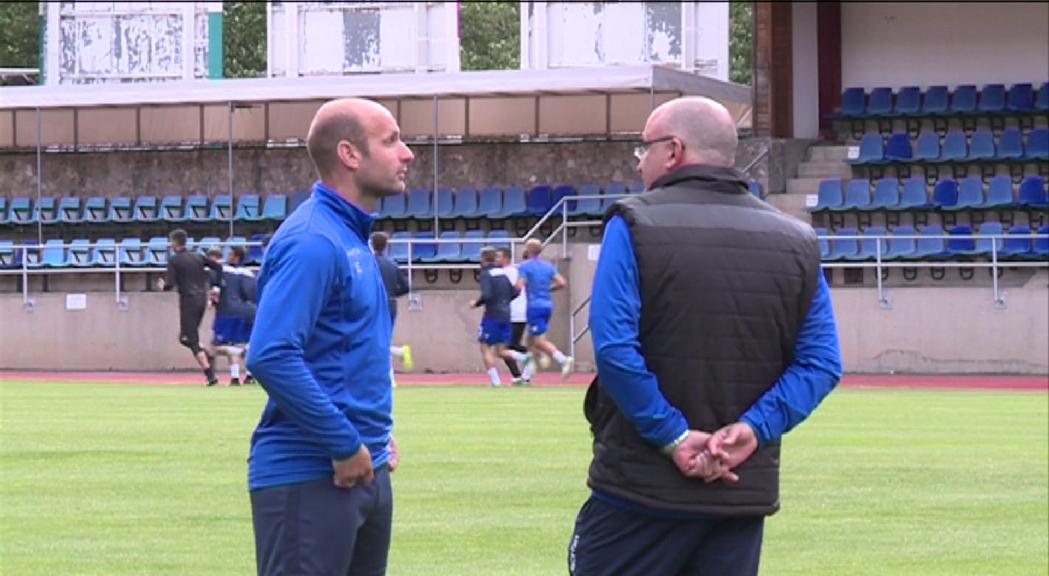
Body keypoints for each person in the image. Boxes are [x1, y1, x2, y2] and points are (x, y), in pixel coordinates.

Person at [567, 96, 843, 576]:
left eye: (643, 150)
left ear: (673, 151)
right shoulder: (796, 240)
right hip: (738, 494)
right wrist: (754, 430)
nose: (640, 164)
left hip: (639, 489)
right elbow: (821, 364)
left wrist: (672, 435)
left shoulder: (634, 221)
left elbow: (613, 347)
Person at [246, 97, 414, 576]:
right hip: (312, 474)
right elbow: (271, 353)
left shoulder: (350, 236)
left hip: (363, 466)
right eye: (391, 140)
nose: (407, 154)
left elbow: (342, 350)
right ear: (349, 154)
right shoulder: (314, 241)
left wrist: (374, 435)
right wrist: (343, 442)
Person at [156, 228, 223, 387]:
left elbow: (170, 284)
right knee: (186, 337)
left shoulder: (175, 260)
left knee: (189, 338)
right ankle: (205, 354)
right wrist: (215, 287)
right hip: (201, 298)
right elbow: (218, 267)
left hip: (188, 301)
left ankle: (210, 374)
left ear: (174, 242)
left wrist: (162, 286)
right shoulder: (198, 256)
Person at [515, 239, 573, 379]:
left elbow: (518, 286)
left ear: (528, 250)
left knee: (539, 341)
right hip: (547, 305)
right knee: (530, 339)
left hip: (534, 306)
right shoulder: (548, 267)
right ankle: (526, 376)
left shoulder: (525, 266)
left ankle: (563, 359)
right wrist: (548, 289)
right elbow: (562, 282)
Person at [472, 247, 529, 387]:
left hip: (492, 316)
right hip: (506, 315)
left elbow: (487, 295)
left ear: (484, 259)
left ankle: (495, 382)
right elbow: (515, 292)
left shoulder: (486, 274)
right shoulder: (502, 274)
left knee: (485, 348)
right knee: (501, 351)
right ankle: (526, 358)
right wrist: (503, 302)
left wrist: (476, 303)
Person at [208, 245, 257, 386]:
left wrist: (211, 301)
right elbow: (253, 295)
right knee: (245, 343)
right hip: (248, 312)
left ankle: (240, 355)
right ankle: (245, 376)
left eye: (230, 254)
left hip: (227, 312)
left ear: (235, 257)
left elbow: (215, 289)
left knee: (218, 347)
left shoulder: (221, 270)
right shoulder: (249, 274)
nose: (228, 256)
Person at [370, 231, 414, 376]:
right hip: (390, 304)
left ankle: (389, 371)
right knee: (383, 339)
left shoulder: (369, 263)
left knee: (373, 340)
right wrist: (393, 294)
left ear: (372, 244)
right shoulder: (392, 264)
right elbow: (406, 287)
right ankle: (392, 367)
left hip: (374, 305)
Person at [496, 247, 532, 385]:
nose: (497, 260)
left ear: (506, 258)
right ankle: (521, 375)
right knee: (512, 345)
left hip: (512, 313)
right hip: (521, 312)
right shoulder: (519, 270)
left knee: (505, 348)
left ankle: (526, 364)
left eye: (499, 257)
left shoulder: (504, 273)